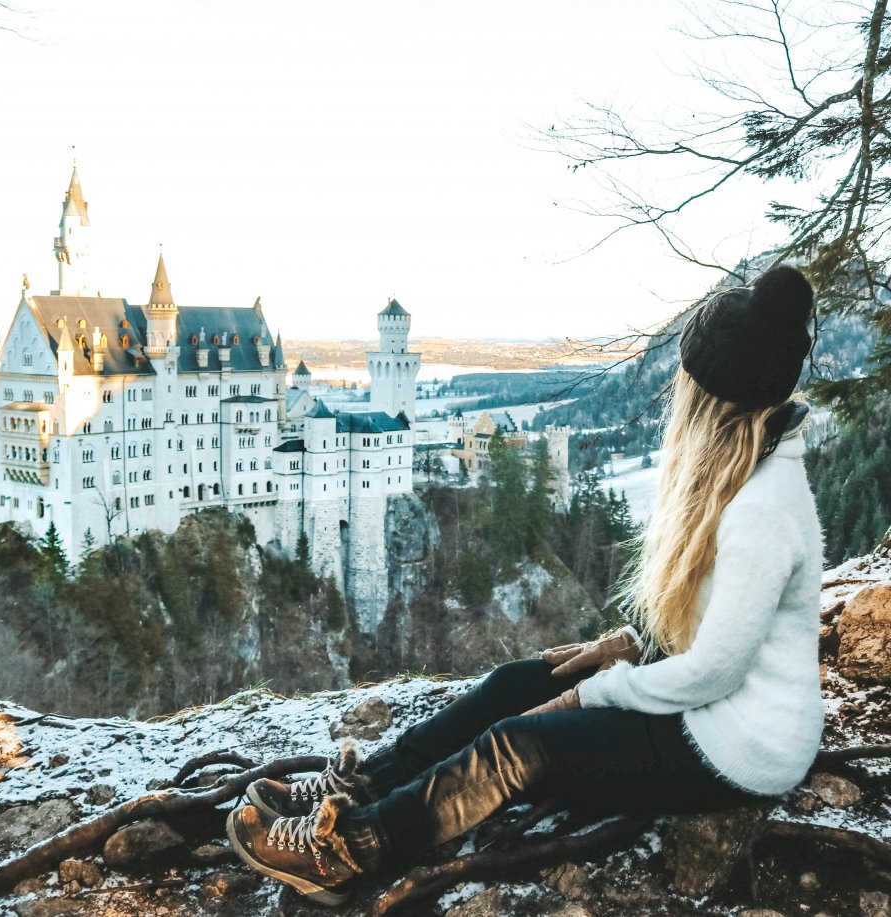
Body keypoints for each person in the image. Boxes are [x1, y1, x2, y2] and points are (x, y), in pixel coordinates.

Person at [227, 264, 825, 906]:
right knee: (514, 686)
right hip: (707, 714)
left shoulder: (764, 507)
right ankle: (367, 784)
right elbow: (713, 611)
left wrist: (598, 693)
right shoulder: (739, 476)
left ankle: (350, 849)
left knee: (518, 746)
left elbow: (715, 670)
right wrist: (620, 645)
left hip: (739, 746)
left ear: (710, 398)